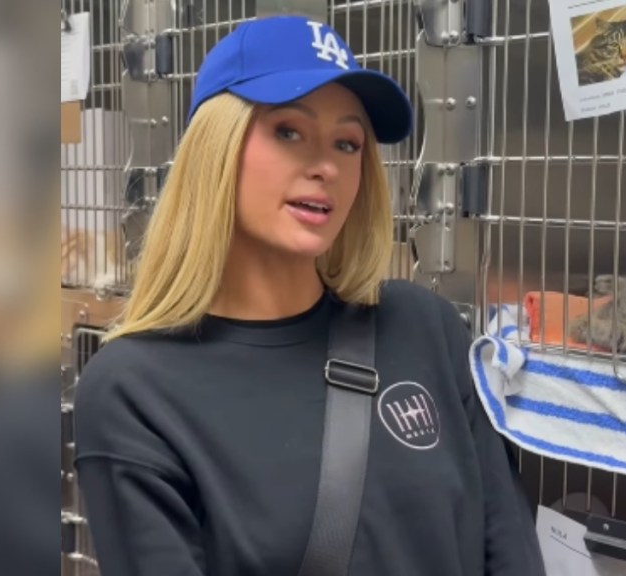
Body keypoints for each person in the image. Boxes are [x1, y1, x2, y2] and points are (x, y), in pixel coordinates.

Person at [73, 14, 544, 576]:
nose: (326, 166)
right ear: (214, 150)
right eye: (288, 131)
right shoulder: (135, 392)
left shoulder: (426, 328)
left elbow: (509, 546)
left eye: (348, 143)